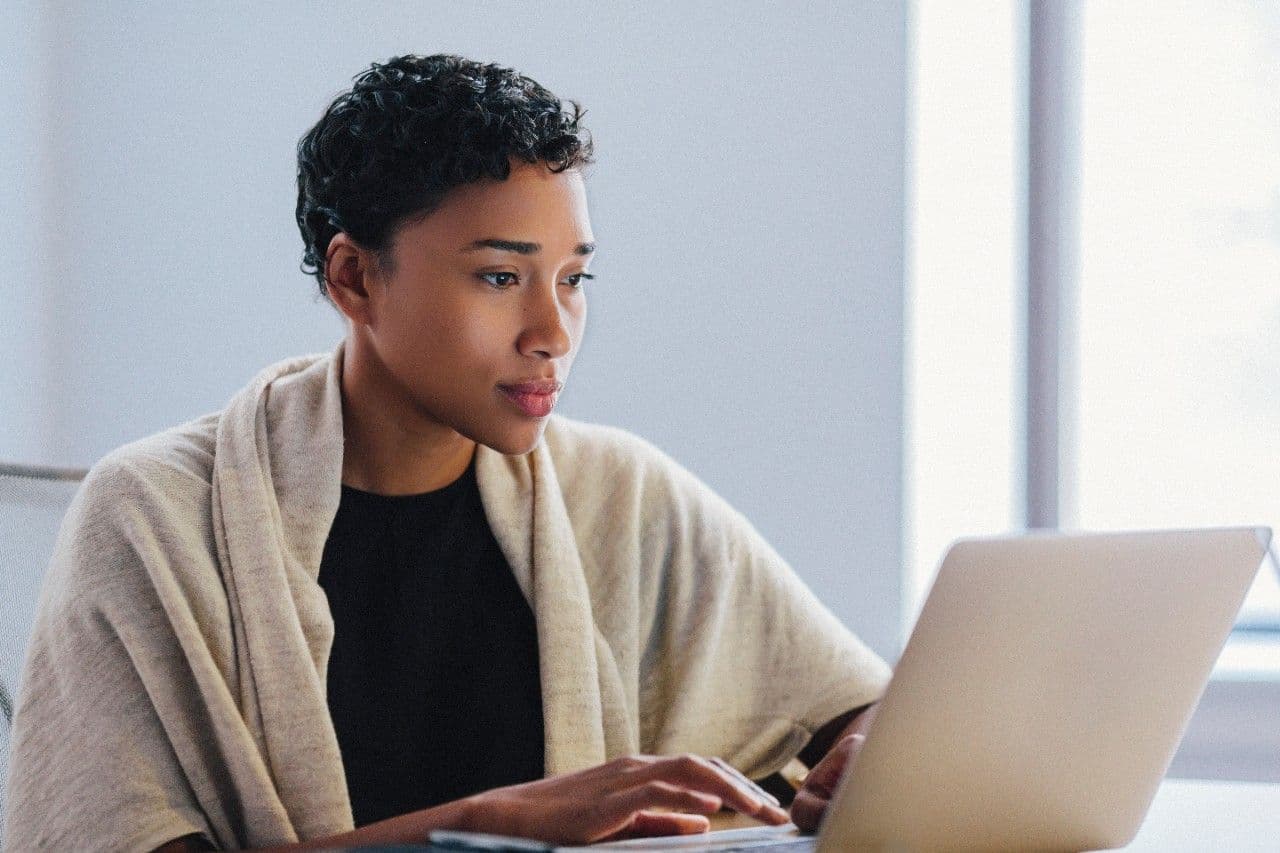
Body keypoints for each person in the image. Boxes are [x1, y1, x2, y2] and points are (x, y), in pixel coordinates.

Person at [3, 54, 891, 852]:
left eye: (574, 278)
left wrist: (870, 754)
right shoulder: (155, 516)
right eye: (501, 277)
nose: (553, 332)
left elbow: (871, 712)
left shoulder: (620, 496)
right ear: (354, 277)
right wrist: (478, 829)